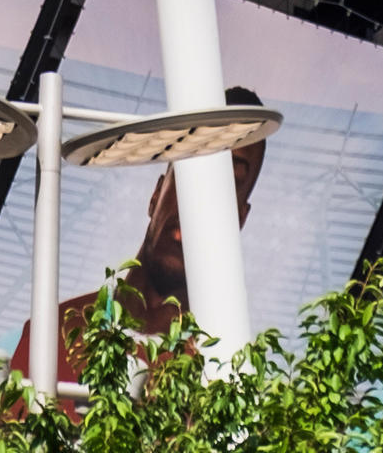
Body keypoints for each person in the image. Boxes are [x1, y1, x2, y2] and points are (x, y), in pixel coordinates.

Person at [44, 85, 270, 387]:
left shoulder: (223, 382)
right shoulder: (49, 334)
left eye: (228, 185)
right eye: (193, 172)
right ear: (156, 194)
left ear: (239, 221)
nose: (200, 205)